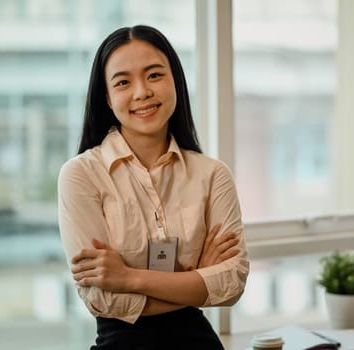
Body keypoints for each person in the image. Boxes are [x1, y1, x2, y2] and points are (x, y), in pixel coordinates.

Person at [57, 25, 249, 349]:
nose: (142, 92)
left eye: (154, 75)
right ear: (107, 97)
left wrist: (128, 278)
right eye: (123, 82)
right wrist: (197, 278)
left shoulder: (213, 175)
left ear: (175, 80)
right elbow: (102, 298)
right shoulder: (81, 176)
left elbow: (231, 283)